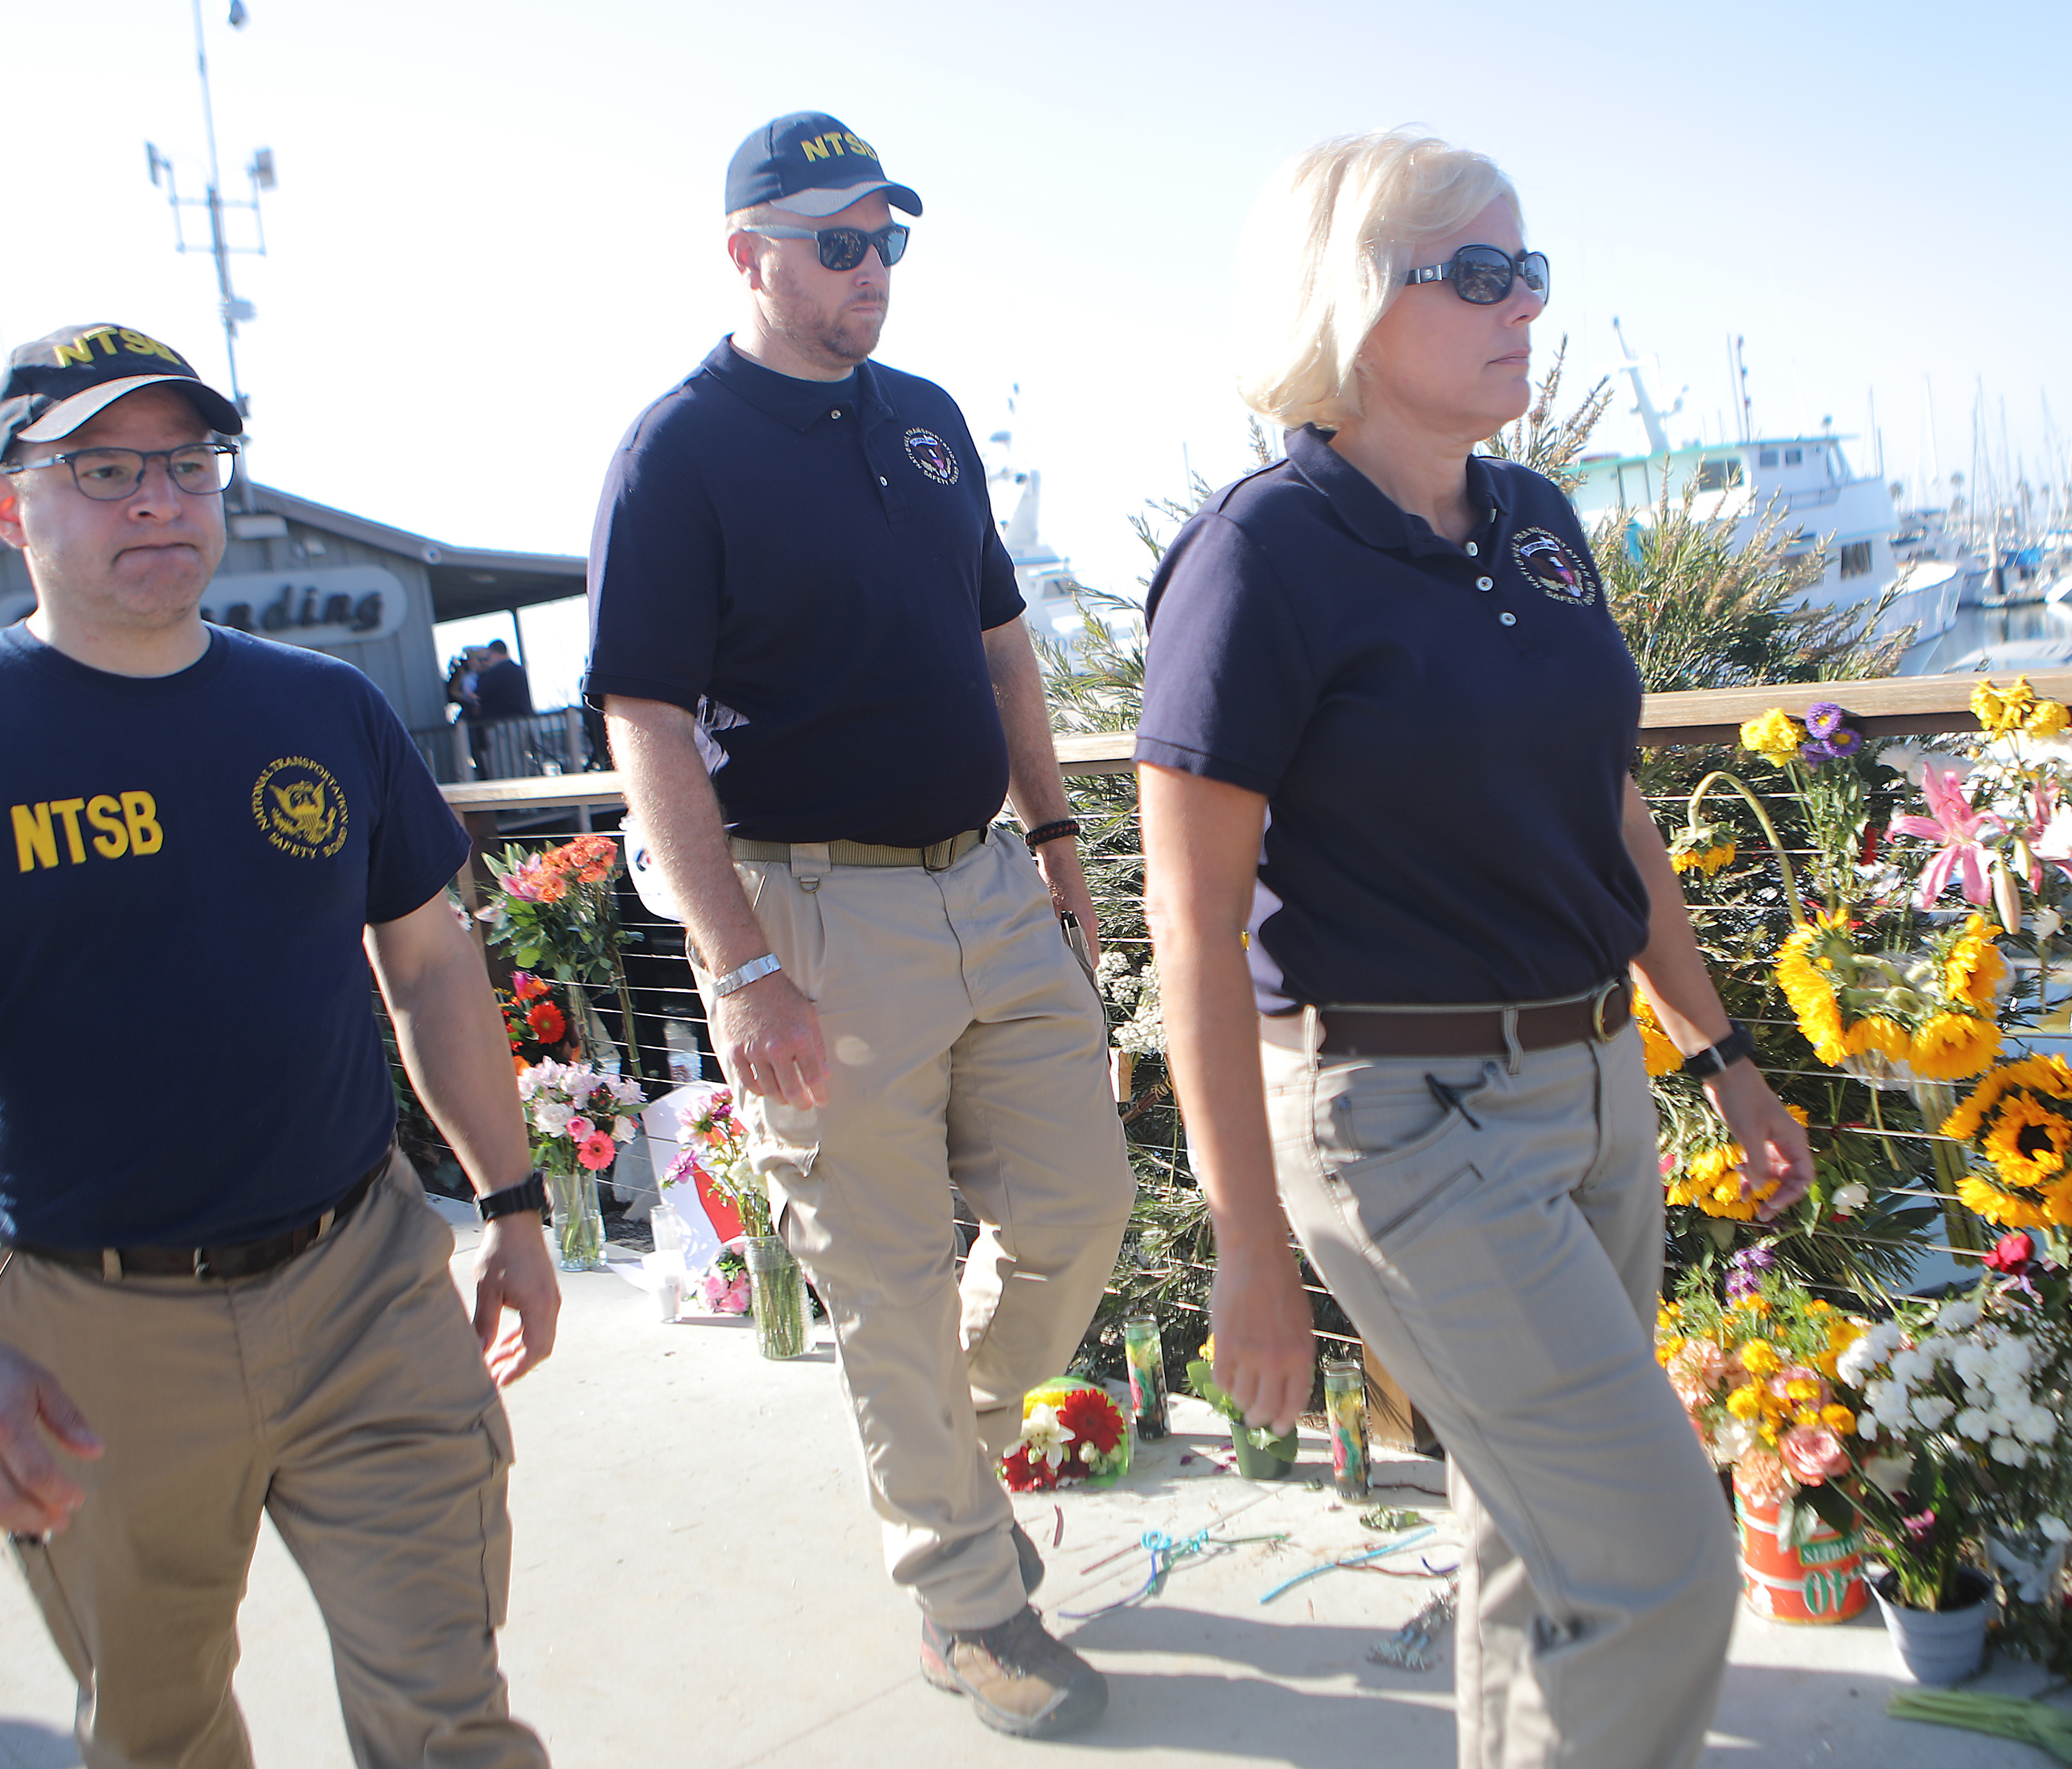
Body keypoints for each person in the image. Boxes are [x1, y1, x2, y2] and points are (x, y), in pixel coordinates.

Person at [0, 322, 558, 1769]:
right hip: (79, 1328)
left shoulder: (323, 710)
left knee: (451, 1717)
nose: (158, 500)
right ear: (11, 509)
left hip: (361, 1282)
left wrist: (510, 1203)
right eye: (105, 468)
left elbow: (431, 962)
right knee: (158, 1730)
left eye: (188, 465)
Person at [1135, 130, 1814, 1769]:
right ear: (1356, 305)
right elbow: (1194, 929)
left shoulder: (1535, 520)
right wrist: (1245, 1243)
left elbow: (1611, 811)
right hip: (1405, 1123)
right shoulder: (1260, 559)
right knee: (1657, 1561)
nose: (1527, 308)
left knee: (1537, 1535)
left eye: (1532, 272)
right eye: (1482, 276)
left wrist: (1715, 1058)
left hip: (1592, 1093)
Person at [585, 113, 1136, 1741]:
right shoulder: (676, 448)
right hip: (808, 914)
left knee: (1080, 1204)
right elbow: (646, 723)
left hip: (989, 882)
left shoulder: (927, 422)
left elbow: (1006, 650)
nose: (868, 270)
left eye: (885, 238)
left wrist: (1055, 841)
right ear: (746, 253)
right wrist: (738, 964)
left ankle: (952, 1459)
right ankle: (968, 1605)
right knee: (884, 1282)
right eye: (835, 243)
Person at [472, 641, 535, 720]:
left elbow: (480, 694)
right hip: (523, 719)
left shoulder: (497, 672)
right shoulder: (519, 670)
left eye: (488, 657)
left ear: (495, 654)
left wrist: (481, 672)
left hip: (504, 723)